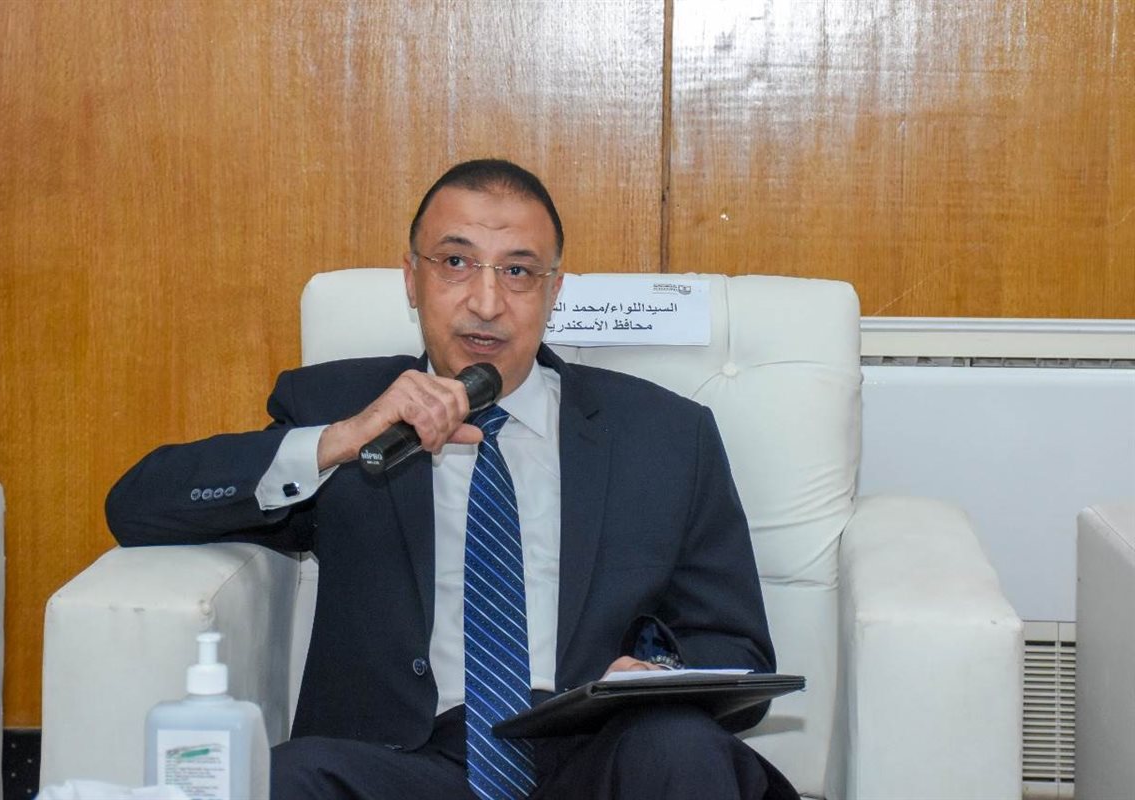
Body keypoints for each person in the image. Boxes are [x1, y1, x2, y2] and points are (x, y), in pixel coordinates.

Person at [107, 159, 797, 800]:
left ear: (554, 290)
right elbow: (137, 507)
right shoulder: (338, 408)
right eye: (456, 263)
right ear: (412, 278)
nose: (486, 302)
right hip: (408, 767)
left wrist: (660, 677)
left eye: (518, 271)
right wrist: (341, 440)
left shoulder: (665, 436)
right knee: (287, 778)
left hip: (601, 758)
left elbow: (735, 648)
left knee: (678, 747)